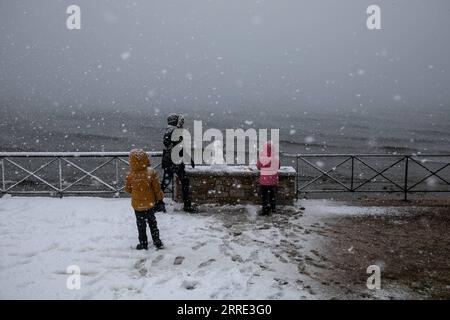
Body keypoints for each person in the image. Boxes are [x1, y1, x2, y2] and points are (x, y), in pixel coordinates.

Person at [125, 149, 166, 250]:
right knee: (152, 223)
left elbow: (127, 189)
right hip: (150, 203)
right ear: (146, 159)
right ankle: (157, 241)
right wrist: (159, 199)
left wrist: (136, 193)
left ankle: (143, 243)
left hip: (137, 206)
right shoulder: (151, 173)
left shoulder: (130, 175)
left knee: (141, 225)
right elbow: (157, 188)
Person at [160, 113, 198, 213]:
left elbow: (171, 145)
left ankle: (158, 203)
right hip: (175, 161)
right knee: (184, 182)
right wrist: (189, 159)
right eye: (180, 121)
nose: (182, 123)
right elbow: (178, 147)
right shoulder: (174, 131)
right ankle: (187, 205)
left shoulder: (169, 130)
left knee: (165, 182)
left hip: (169, 161)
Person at [256, 141, 280, 215]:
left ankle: (265, 210)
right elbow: (278, 166)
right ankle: (273, 209)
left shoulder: (262, 158)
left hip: (264, 181)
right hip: (273, 180)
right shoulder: (276, 158)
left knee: (264, 196)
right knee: (272, 195)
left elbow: (258, 167)